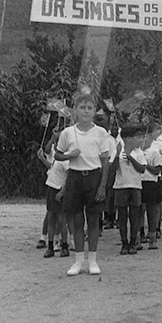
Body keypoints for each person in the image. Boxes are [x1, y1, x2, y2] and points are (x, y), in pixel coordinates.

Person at [55, 91, 113, 276]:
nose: (86, 111)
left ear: (95, 111)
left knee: (94, 220)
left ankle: (93, 261)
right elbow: (57, 154)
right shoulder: (68, 133)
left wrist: (102, 186)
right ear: (75, 111)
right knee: (77, 220)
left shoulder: (101, 132)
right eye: (82, 107)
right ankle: (79, 261)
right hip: (75, 178)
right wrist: (68, 155)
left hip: (94, 177)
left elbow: (105, 161)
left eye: (90, 108)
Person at [38, 123, 70, 258]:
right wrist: (42, 158)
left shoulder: (64, 159)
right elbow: (52, 167)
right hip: (51, 188)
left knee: (62, 219)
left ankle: (64, 245)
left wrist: (63, 191)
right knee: (51, 217)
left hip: (58, 190)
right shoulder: (57, 158)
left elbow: (69, 176)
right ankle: (50, 245)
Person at [113, 124, 146, 255]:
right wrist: (117, 154)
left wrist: (130, 157)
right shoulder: (118, 151)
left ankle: (133, 242)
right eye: (136, 137)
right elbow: (113, 169)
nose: (139, 140)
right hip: (121, 186)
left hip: (135, 186)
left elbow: (142, 169)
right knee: (122, 216)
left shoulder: (139, 153)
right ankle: (124, 242)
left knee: (134, 216)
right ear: (128, 139)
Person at [140, 123, 162, 249]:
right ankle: (140, 235)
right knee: (139, 210)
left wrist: (145, 165)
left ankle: (152, 236)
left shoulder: (154, 151)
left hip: (151, 182)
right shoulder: (137, 151)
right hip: (138, 182)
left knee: (152, 210)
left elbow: (157, 170)